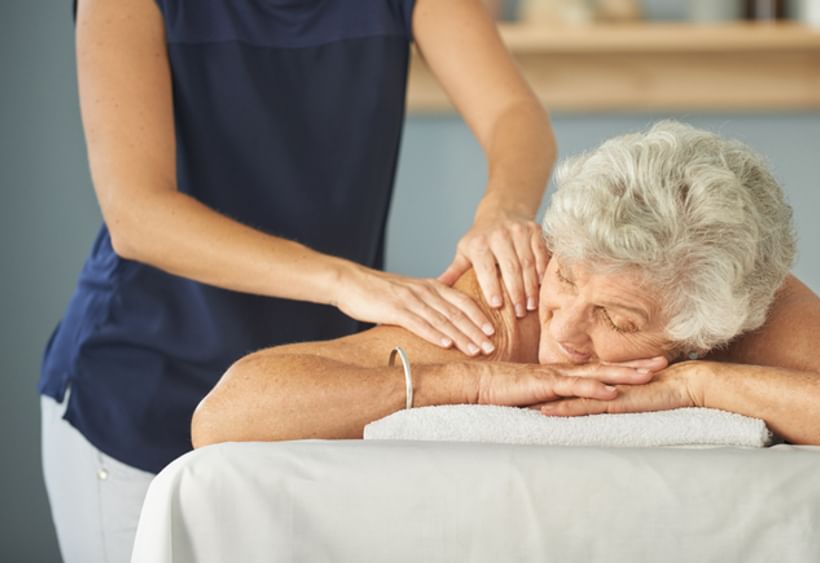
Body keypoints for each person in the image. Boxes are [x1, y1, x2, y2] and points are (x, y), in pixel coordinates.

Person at [40, 0, 557, 561]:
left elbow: (514, 113)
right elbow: (138, 217)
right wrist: (345, 281)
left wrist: (503, 211)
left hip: (311, 397)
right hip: (142, 389)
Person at [192, 121, 820, 452]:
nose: (562, 331)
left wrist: (701, 387)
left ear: (704, 328)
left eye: (616, 320)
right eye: (568, 278)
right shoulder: (509, 299)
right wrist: (463, 382)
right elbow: (225, 416)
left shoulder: (740, 301)